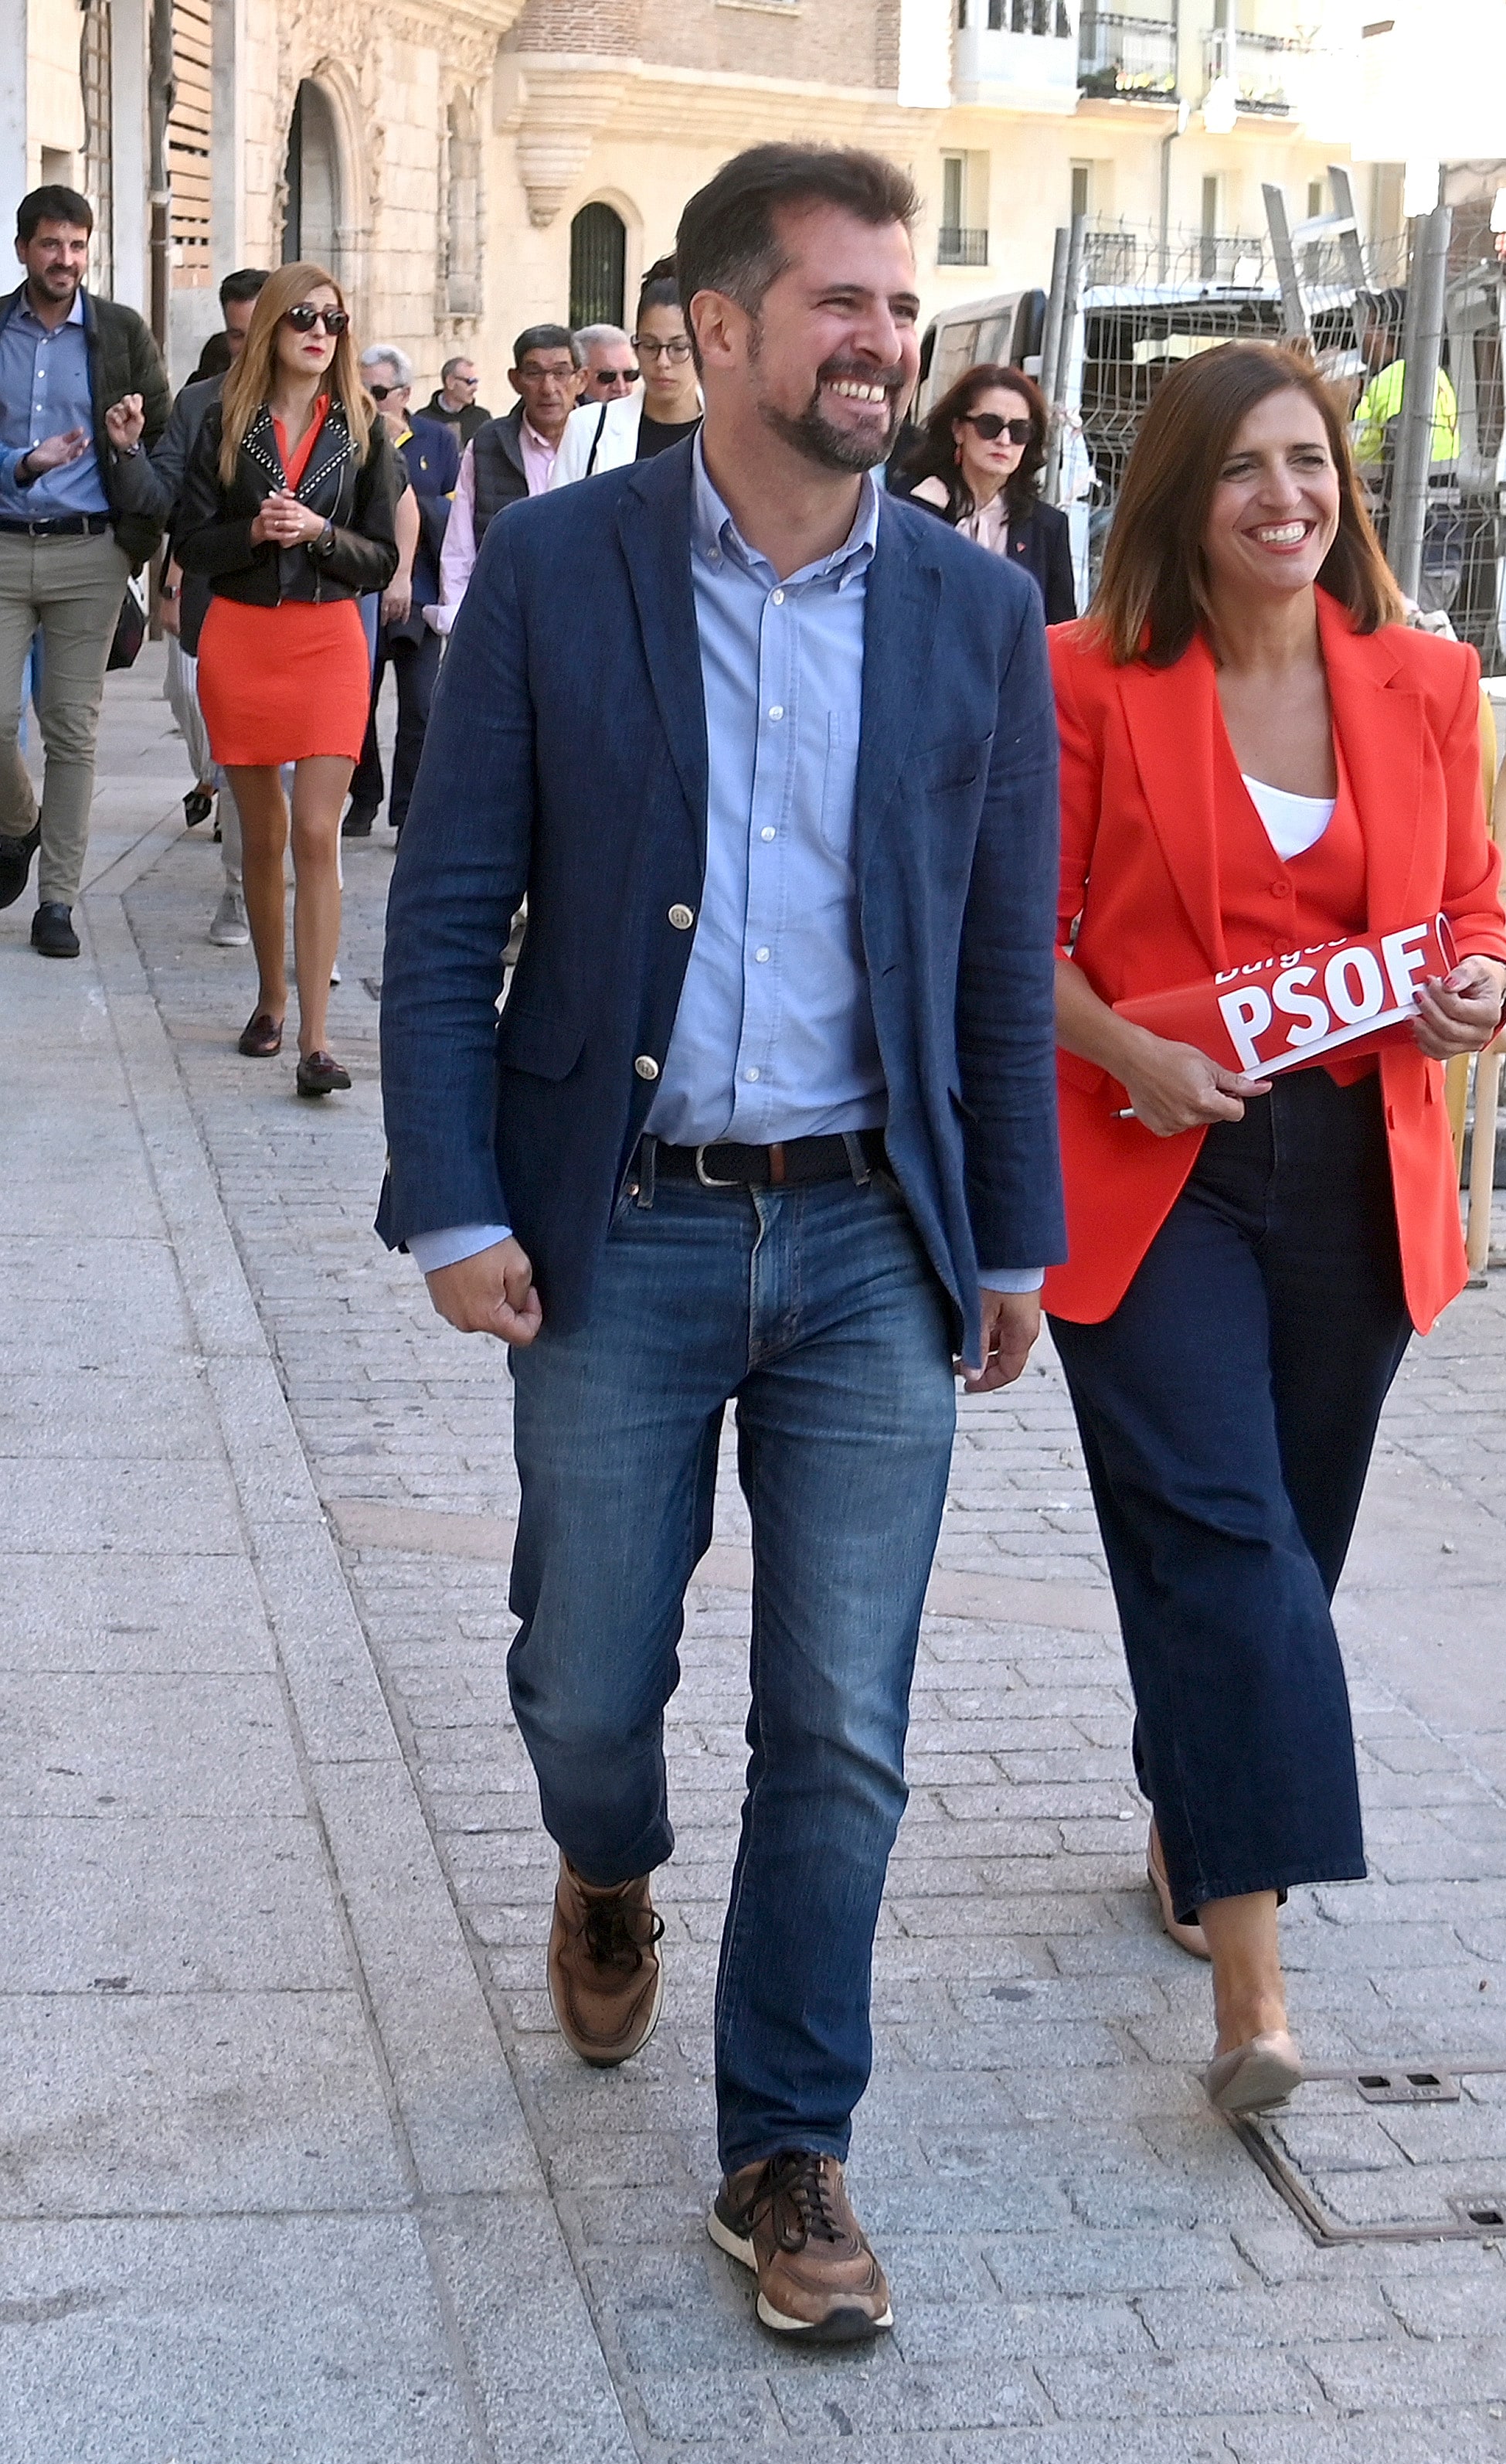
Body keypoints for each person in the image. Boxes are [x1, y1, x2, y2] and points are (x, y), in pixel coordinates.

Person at [378, 141, 1062, 2343]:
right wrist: (457, 1198)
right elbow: (453, 901)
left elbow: (989, 955)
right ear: (715, 330)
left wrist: (1017, 1241)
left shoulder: (972, 607)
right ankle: (604, 1857)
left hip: (873, 1233)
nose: (885, 340)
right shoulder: (568, 572)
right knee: (594, 1680)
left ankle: (786, 2150)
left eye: (901, 304)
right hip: (621, 1228)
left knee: (841, 1722)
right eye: (841, 304)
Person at [1042, 341, 1506, 2117]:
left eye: (1310, 464)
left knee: (1282, 1553)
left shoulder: (1422, 681)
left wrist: (1479, 976)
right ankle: (1255, 1993)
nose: (1287, 498)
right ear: (1181, 492)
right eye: (1245, 468)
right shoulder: (1083, 680)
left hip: (1353, 1174)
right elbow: (1017, 936)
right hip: (1158, 1170)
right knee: (1233, 1543)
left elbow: (1472, 906)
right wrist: (1131, 1052)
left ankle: (1199, 1791)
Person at [172, 262, 398, 1096]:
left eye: (333, 320)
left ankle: (314, 1037)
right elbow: (192, 544)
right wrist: (256, 534)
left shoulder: (365, 428)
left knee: (316, 832)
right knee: (258, 837)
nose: (318, 331)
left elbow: (383, 557)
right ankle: (269, 999)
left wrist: (320, 536)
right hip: (241, 640)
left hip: (329, 644)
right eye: (302, 315)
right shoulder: (224, 425)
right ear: (270, 324)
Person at [0, 183, 171, 958]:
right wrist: (23, 462)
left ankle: (58, 900)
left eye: (76, 245)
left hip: (89, 554)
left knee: (72, 731)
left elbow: (163, 441)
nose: (65, 260)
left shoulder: (122, 333)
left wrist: (129, 449)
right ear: (23, 250)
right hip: (3, 544)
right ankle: (16, 822)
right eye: (50, 245)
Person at [151, 264, 271, 942]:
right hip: (223, 598)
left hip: (314, 613)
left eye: (257, 331)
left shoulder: (337, 406)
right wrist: (122, 455)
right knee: (239, 754)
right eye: (234, 336)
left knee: (311, 793)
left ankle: (313, 929)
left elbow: (385, 510)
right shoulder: (200, 404)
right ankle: (237, 890)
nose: (246, 348)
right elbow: (168, 502)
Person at [343, 345, 459, 836]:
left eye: (379, 392)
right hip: (360, 587)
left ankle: (408, 810)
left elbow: (452, 514)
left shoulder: (437, 439)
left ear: (405, 394)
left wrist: (404, 486)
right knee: (357, 704)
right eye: (362, 390)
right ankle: (364, 797)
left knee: (419, 706)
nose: (370, 400)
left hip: (422, 590)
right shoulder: (347, 438)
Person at [901, 362, 1076, 622]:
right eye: (989, 425)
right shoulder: (913, 504)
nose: (1004, 440)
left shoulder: (1047, 527)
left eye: (1019, 430)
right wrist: (927, 508)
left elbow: (1058, 631)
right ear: (958, 429)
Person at [429, 325, 577, 631]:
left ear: (581, 378)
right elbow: (460, 543)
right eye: (534, 373)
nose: (549, 388)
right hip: (506, 612)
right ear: (515, 379)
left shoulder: (603, 440)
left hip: (581, 610)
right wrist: (457, 617)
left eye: (561, 373)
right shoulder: (488, 444)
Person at [1350, 288, 1464, 611]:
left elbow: (1401, 464)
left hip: (1414, 554)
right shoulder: (1434, 377)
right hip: (1439, 548)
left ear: (1390, 331)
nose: (1364, 335)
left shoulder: (1399, 379)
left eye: (1371, 325)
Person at [550, 259, 703, 487]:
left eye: (678, 348)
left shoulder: (730, 431)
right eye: (650, 346)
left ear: (700, 347)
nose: (663, 362)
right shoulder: (589, 427)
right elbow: (558, 517)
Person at [413, 355, 491, 450]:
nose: (475, 388)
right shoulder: (423, 420)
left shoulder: (482, 418)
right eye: (470, 382)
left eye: (476, 382)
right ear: (450, 382)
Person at [572, 322, 637, 405]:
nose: (621, 388)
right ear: (581, 379)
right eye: (608, 377)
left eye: (629, 375)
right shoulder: (569, 417)